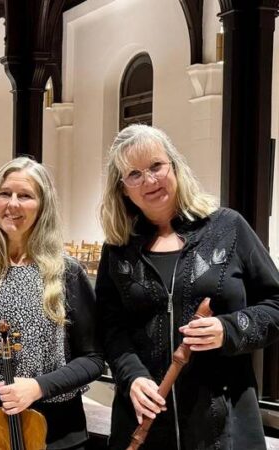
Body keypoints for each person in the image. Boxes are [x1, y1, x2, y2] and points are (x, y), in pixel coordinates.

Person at [96, 124, 279, 450]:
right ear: (123, 189)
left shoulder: (228, 227)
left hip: (225, 421)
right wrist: (132, 377)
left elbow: (276, 303)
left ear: (174, 166)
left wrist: (229, 329)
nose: (150, 180)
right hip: (145, 422)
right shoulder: (118, 248)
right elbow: (110, 328)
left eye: (156, 166)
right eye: (134, 175)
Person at [0, 157, 104, 449]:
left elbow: (93, 359)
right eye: (4, 194)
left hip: (57, 432)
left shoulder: (66, 272)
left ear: (42, 207)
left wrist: (38, 387)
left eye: (25, 196)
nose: (12, 203)